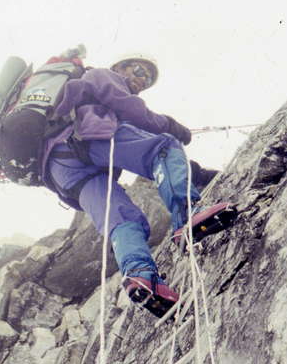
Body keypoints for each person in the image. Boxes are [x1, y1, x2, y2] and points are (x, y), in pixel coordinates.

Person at [32, 53, 214, 317]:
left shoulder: (84, 92)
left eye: (148, 79)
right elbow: (135, 114)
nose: (143, 81)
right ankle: (188, 216)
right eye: (139, 71)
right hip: (84, 138)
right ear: (119, 67)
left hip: (62, 171)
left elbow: (135, 143)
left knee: (122, 218)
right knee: (164, 145)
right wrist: (171, 126)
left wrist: (195, 171)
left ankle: (141, 276)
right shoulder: (102, 75)